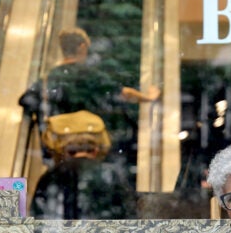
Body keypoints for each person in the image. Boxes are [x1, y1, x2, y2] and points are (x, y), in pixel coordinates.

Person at [19, 27, 160, 167]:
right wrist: (149, 97)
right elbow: (123, 93)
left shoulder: (47, 79)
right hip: (87, 147)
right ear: (82, 47)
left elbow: (26, 101)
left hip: (59, 148)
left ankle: (5, 189)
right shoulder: (90, 75)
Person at [30, 132, 138, 219]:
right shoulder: (110, 174)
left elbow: (39, 217)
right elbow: (127, 214)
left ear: (63, 151)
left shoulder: (50, 176)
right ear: (96, 150)